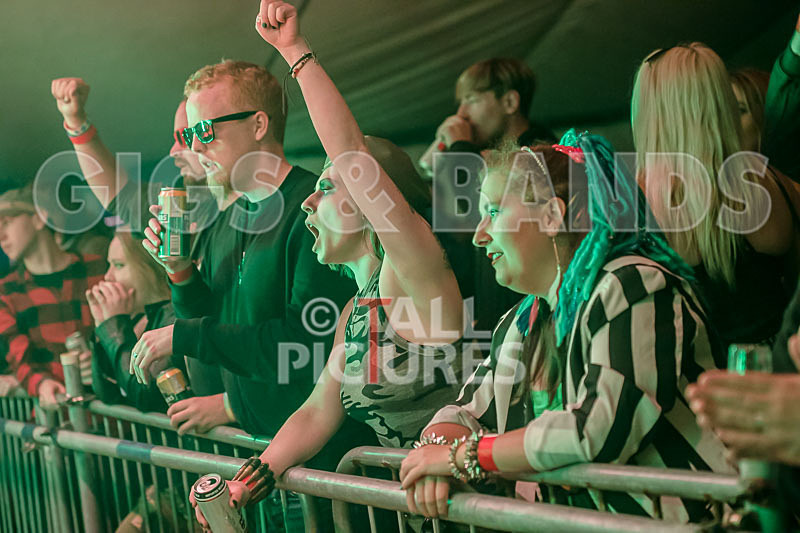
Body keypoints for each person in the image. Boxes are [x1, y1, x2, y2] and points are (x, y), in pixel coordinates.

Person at [189, 1, 465, 526]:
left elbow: (350, 152)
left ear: (370, 204)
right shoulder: (356, 310)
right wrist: (244, 485)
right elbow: (317, 413)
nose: (308, 203)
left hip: (464, 510)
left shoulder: (413, 273)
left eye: (324, 188)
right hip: (416, 513)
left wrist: (294, 52)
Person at [398, 131, 732, 523]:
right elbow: (465, 412)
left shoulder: (633, 285)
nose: (478, 235)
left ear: (552, 217)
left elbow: (598, 429)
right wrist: (431, 458)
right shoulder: (522, 319)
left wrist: (462, 457)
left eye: (493, 212)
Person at [51, 77, 228, 413]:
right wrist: (77, 123)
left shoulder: (252, 209)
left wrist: (230, 406)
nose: (175, 149)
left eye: (188, 135)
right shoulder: (184, 203)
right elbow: (117, 194)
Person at [631, 42, 800, 349]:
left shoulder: (640, 195)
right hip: (783, 369)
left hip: (707, 386)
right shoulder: (774, 181)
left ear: (655, 110)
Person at [423, 58, 558, 337]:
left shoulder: (540, 151)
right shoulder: (479, 155)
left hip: (529, 317)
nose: (462, 113)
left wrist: (460, 147)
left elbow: (472, 205)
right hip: (494, 314)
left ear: (509, 102)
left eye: (471, 99)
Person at [0, 184, 106, 407]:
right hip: (55, 420)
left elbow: (126, 330)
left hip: (114, 417)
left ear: (39, 219)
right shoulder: (5, 292)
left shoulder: (98, 268)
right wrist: (42, 384)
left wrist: (99, 362)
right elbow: (19, 356)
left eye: (7, 223)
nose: (1, 235)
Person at [88, 229, 185, 413]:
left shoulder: (175, 316)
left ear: (149, 268)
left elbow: (146, 396)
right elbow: (106, 394)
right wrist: (104, 326)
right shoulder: (137, 320)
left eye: (118, 265)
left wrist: (113, 324)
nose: (108, 277)